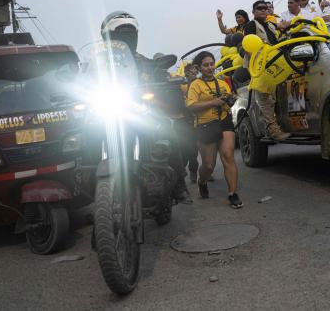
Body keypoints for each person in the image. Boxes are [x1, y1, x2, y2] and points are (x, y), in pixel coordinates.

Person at [100, 11, 192, 203]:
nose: (127, 36)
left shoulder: (146, 62)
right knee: (85, 135)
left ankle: (179, 183)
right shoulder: (98, 63)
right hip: (109, 112)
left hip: (143, 111)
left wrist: (165, 77)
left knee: (168, 131)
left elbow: (160, 72)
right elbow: (82, 78)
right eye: (121, 32)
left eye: (130, 31)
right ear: (108, 35)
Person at [185, 51, 243, 209]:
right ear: (199, 68)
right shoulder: (195, 85)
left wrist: (231, 100)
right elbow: (190, 106)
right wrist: (213, 102)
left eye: (212, 64)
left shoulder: (223, 83)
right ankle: (202, 181)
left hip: (224, 122)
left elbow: (226, 101)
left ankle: (233, 194)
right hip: (205, 125)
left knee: (228, 156)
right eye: (206, 65)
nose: (210, 68)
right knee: (209, 165)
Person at [243, 1, 290, 140]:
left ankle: (280, 125)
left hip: (274, 65)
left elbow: (281, 29)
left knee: (274, 97)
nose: (263, 10)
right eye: (259, 8)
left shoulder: (270, 25)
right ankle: (273, 130)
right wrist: (257, 65)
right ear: (253, 12)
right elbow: (248, 45)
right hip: (260, 67)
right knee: (265, 99)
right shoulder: (251, 25)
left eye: (266, 8)